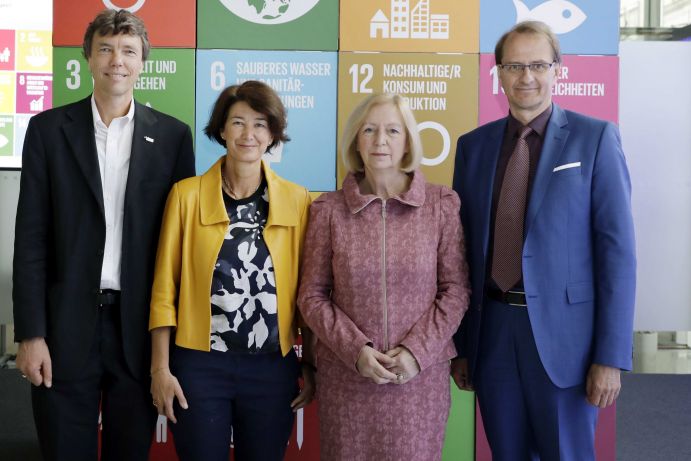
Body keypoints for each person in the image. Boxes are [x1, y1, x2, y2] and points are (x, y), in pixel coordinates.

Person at [12, 9, 195, 460]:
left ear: (142, 63)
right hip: (62, 329)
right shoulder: (48, 131)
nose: (118, 60)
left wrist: (168, 351)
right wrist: (31, 333)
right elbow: (30, 239)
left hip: (138, 331)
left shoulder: (173, 137)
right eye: (107, 49)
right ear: (88, 59)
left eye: (129, 51)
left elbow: (179, 251)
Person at [451, 21, 636, 460]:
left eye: (538, 64)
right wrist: (460, 346)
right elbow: (460, 253)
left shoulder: (596, 139)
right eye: (514, 65)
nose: (526, 76)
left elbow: (618, 255)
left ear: (558, 70)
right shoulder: (472, 147)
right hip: (493, 334)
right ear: (498, 73)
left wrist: (611, 355)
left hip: (566, 343)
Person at [148, 80, 315, 461]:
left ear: (272, 133)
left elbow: (309, 293)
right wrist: (160, 367)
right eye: (238, 122)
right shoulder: (185, 197)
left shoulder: (297, 200)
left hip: (273, 368)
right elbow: (163, 291)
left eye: (260, 123)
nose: (248, 134)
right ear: (222, 130)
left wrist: (311, 364)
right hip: (199, 366)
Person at [298, 93, 469, 460]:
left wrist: (415, 352)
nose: (380, 141)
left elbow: (455, 290)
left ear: (408, 140)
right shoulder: (327, 210)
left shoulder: (441, 205)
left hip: (419, 382)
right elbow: (311, 295)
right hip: (348, 381)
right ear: (355, 140)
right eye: (370, 130)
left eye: (393, 130)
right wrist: (356, 351)